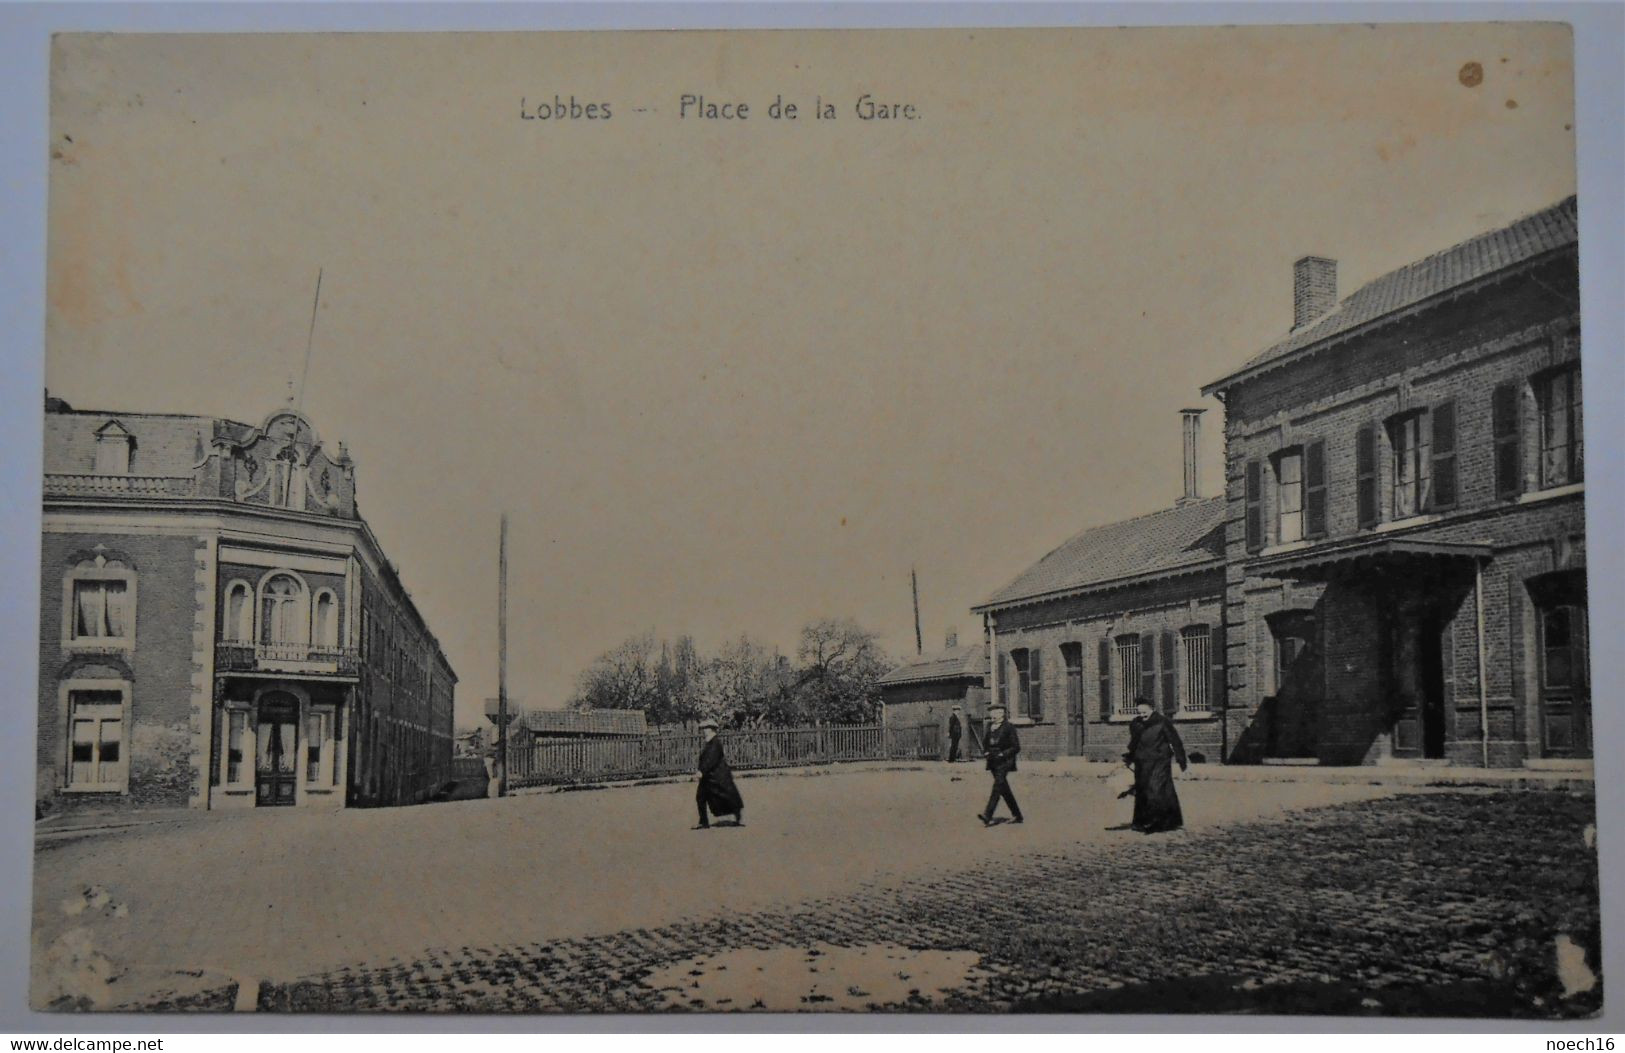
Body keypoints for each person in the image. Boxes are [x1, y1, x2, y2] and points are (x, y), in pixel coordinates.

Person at [1123, 697, 1187, 833]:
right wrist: (1129, 758)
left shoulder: (1162, 722)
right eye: (1139, 712)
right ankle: (1143, 821)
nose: (1142, 715)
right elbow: (1133, 743)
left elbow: (1175, 740)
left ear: (1152, 709)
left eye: (1145, 712)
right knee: (1142, 790)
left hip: (1160, 760)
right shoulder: (1136, 724)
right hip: (1142, 762)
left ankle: (1157, 822)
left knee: (1156, 789)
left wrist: (1181, 760)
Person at [977, 704, 1023, 825]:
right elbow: (985, 743)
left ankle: (988, 814)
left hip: (1004, 762)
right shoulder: (989, 726)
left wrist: (1003, 754)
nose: (992, 714)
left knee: (997, 787)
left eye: (995, 712)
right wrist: (985, 752)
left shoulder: (1009, 727)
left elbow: (1016, 747)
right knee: (1004, 789)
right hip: (992, 761)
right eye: (991, 712)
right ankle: (1017, 815)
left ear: (1002, 713)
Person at [694, 718, 744, 829]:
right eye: (704, 728)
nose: (704, 730)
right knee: (700, 797)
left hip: (717, 776)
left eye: (706, 728)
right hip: (709, 777)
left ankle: (737, 814)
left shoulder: (715, 742)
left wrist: (702, 771)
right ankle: (703, 822)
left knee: (727, 796)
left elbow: (711, 759)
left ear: (712, 729)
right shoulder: (709, 742)